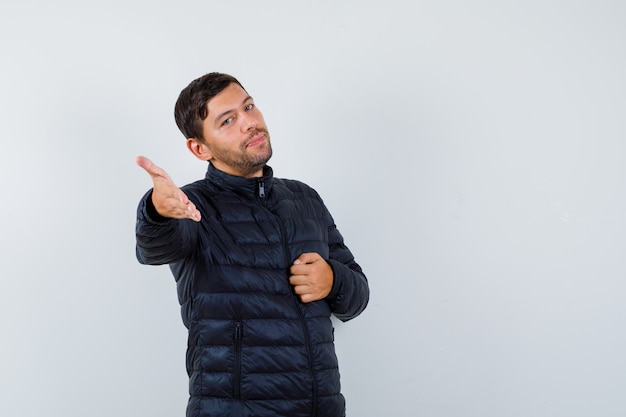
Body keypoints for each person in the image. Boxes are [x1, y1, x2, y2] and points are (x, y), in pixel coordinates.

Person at [135, 72, 369, 417]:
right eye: (227, 120)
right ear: (200, 148)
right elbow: (155, 248)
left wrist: (333, 279)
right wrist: (157, 211)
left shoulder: (305, 199)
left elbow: (357, 298)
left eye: (248, 107)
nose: (249, 123)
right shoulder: (192, 206)